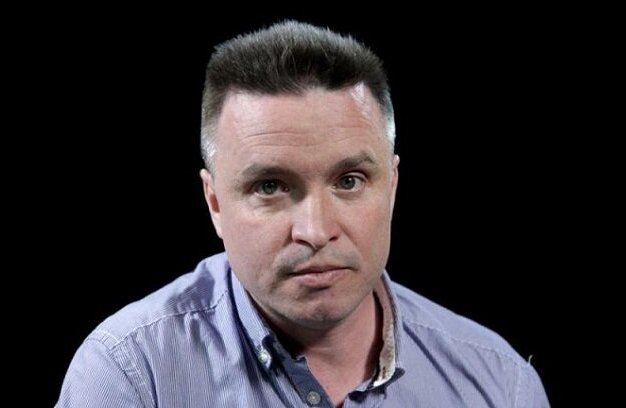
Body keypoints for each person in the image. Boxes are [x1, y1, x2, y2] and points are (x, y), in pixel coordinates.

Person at [56, 20, 549, 407]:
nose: (316, 231)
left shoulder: (502, 386)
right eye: (270, 187)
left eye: (349, 181)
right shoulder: (129, 376)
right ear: (215, 203)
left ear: (393, 187)